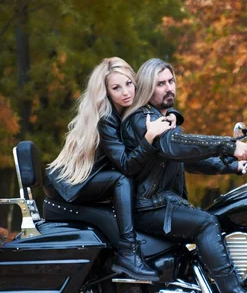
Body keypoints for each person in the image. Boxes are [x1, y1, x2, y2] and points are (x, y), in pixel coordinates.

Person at [122, 58, 247, 293]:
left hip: (163, 204)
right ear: (147, 88)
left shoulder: (164, 120)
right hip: (150, 207)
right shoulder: (143, 119)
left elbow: (190, 159)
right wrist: (229, 146)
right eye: (160, 83)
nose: (168, 88)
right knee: (207, 223)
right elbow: (176, 147)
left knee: (219, 221)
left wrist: (233, 165)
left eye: (171, 81)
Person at [45, 57, 175, 281]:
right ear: (106, 92)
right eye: (116, 88)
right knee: (120, 179)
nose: (126, 92)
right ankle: (128, 251)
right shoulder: (106, 119)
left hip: (89, 177)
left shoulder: (124, 112)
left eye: (129, 84)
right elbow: (126, 164)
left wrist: (173, 116)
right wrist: (149, 137)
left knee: (121, 179)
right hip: (71, 184)